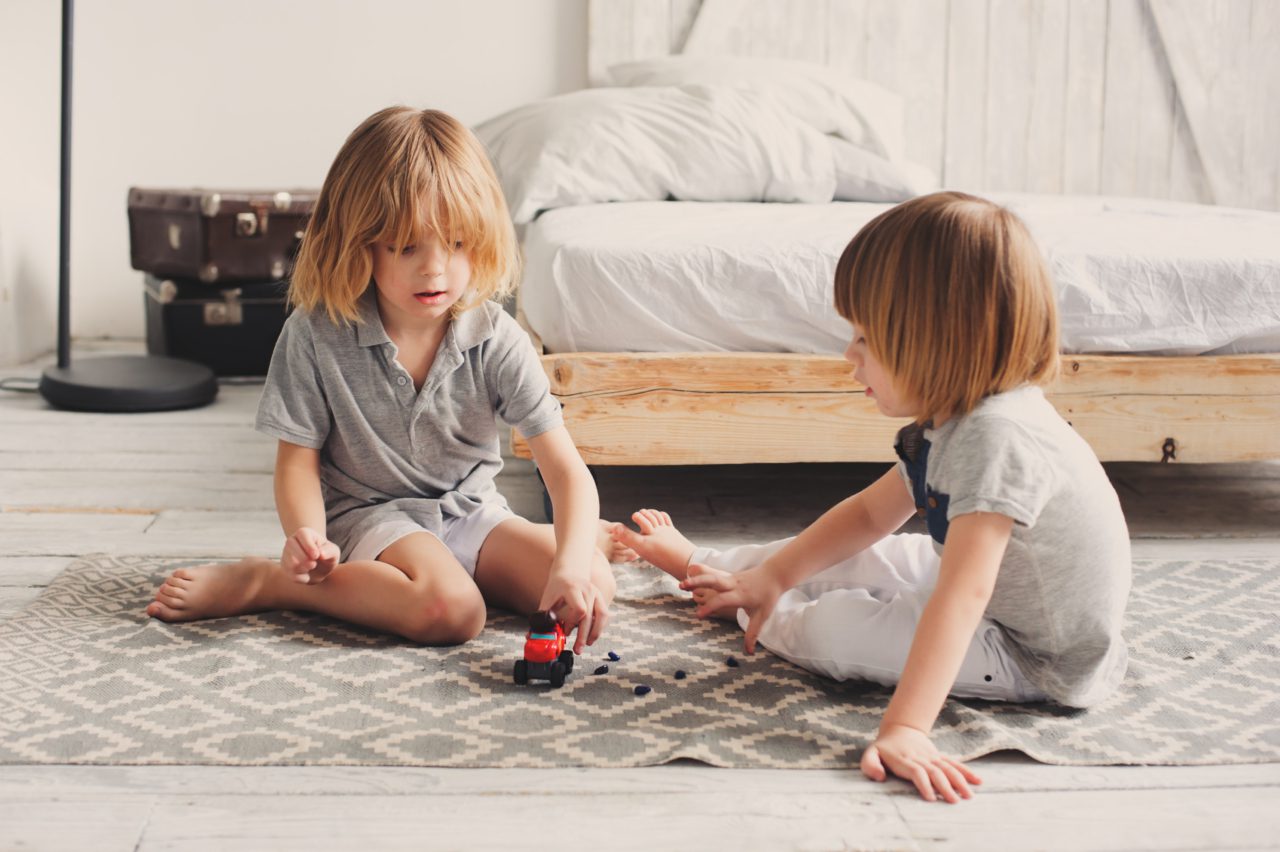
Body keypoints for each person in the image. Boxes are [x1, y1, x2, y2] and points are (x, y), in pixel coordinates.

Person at [611, 191, 1131, 803]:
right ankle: (725, 572)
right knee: (843, 557)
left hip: (1029, 652)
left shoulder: (997, 438)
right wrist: (778, 571)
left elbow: (965, 598)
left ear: (936, 340)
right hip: (979, 588)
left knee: (833, 632)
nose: (848, 355)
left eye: (865, 338)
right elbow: (870, 515)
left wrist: (906, 729)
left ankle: (750, 608)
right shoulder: (955, 416)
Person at [147, 106, 632, 652]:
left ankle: (557, 548)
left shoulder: (496, 337)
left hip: (470, 510)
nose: (435, 269)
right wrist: (305, 538)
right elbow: (297, 463)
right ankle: (266, 582)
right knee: (453, 612)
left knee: (592, 580)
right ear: (361, 244)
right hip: (371, 518)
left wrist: (568, 566)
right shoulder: (315, 336)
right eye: (406, 247)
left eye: (456, 243)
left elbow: (566, 472)